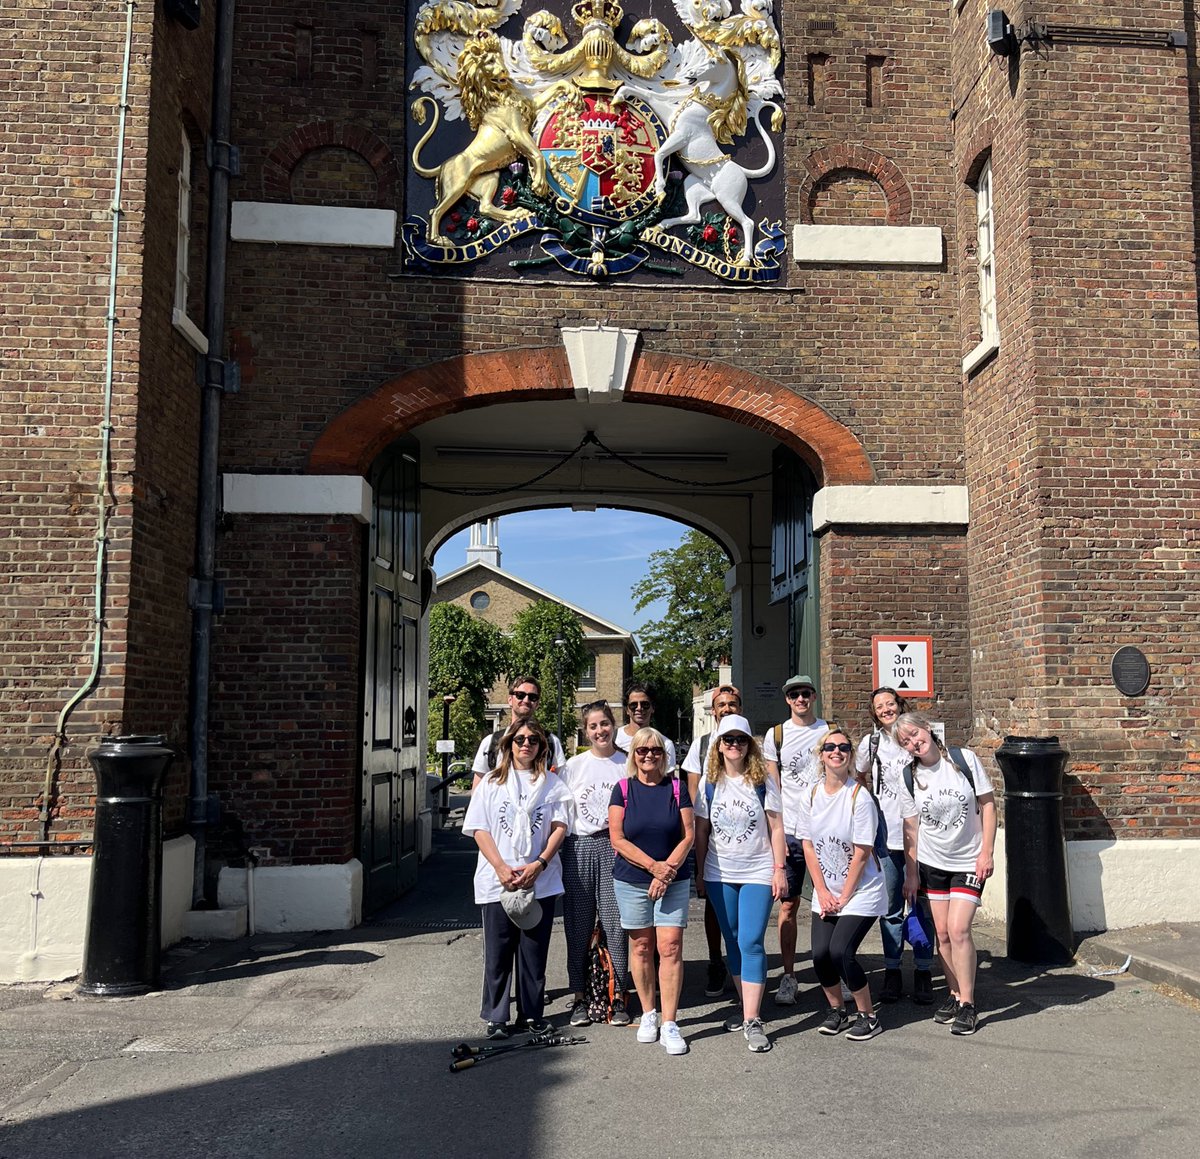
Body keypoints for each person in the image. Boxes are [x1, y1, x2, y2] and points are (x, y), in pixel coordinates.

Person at [462, 719, 573, 1040]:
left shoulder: (553, 785)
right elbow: (479, 828)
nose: (526, 744)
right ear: (509, 743)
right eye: (520, 739)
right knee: (498, 953)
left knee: (533, 953)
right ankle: (496, 1016)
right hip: (498, 880)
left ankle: (531, 1015)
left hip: (540, 880)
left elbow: (559, 828)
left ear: (542, 747)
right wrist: (499, 867)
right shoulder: (492, 783)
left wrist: (539, 863)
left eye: (534, 740)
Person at [893, 710, 998, 1037]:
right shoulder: (908, 776)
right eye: (905, 741)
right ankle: (954, 994)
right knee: (941, 933)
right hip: (932, 863)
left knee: (959, 928)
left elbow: (990, 804)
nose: (914, 743)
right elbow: (910, 827)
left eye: (915, 734)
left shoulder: (962, 760)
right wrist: (911, 872)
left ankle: (968, 1003)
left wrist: (987, 851)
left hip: (968, 861)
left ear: (927, 728)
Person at [693, 713, 788, 1053]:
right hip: (720, 873)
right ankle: (745, 1004)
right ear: (718, 745)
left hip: (757, 872)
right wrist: (701, 871)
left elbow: (777, 828)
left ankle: (752, 1019)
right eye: (728, 740)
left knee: (750, 941)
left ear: (750, 746)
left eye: (741, 740)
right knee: (731, 940)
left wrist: (779, 869)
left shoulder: (763, 783)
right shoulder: (709, 784)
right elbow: (702, 831)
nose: (734, 745)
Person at [608, 726, 695, 1056]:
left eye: (655, 750)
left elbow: (688, 836)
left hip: (673, 879)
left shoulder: (677, 788)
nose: (648, 756)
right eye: (642, 751)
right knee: (642, 947)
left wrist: (666, 871)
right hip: (631, 880)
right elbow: (618, 838)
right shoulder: (622, 789)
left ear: (664, 755)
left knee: (670, 946)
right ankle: (648, 1013)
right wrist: (653, 867)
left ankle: (670, 1021)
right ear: (634, 755)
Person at [799, 725, 889, 1041]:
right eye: (830, 747)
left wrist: (842, 897)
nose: (836, 751)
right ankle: (838, 1010)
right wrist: (822, 892)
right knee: (820, 955)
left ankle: (868, 1016)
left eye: (843, 748)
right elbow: (808, 845)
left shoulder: (859, 797)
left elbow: (863, 853)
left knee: (841, 951)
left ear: (849, 756)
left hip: (861, 890)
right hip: (827, 890)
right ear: (820, 756)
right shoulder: (809, 795)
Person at [854, 687, 935, 1005]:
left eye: (890, 704)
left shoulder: (916, 736)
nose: (886, 709)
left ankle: (924, 972)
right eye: (880, 706)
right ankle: (892, 972)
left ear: (900, 705)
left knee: (922, 906)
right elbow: (859, 775)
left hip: (922, 836)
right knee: (890, 911)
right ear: (874, 713)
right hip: (886, 837)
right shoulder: (870, 743)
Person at [559, 701, 632, 1028]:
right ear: (585, 731)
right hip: (580, 846)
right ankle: (580, 996)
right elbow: (559, 811)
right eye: (593, 726)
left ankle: (618, 995)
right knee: (579, 924)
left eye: (604, 724)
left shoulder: (627, 763)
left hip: (615, 847)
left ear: (613, 724)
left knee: (616, 924)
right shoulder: (574, 766)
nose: (600, 731)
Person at [761, 673, 827, 1005]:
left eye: (805, 693)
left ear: (814, 697)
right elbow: (774, 787)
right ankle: (789, 975)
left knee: (831, 904)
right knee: (788, 904)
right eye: (794, 695)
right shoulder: (776, 735)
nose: (800, 699)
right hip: (789, 832)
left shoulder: (827, 732)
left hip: (823, 832)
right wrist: (779, 833)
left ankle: (833, 971)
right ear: (787, 700)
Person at [681, 683, 742, 997]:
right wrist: (696, 832)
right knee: (712, 901)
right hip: (712, 836)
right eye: (722, 705)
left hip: (743, 837)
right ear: (713, 710)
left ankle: (740, 963)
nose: (727, 708)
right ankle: (716, 960)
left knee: (742, 905)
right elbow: (692, 791)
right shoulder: (702, 745)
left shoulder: (747, 743)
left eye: (732, 704)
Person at [471, 676, 566, 788]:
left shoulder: (551, 742)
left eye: (532, 697)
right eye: (520, 695)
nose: (526, 700)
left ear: (537, 703)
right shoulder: (490, 742)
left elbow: (562, 785)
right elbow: (477, 791)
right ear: (510, 700)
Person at [613, 682, 677, 769]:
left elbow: (669, 781)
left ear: (653, 708)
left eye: (645, 704)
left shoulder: (665, 744)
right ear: (627, 710)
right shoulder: (613, 739)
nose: (639, 708)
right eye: (633, 705)